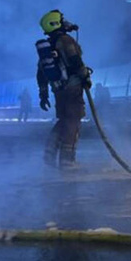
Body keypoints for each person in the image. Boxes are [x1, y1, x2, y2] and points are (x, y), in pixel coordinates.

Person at [36, 10, 91, 167]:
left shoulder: (47, 47)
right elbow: (76, 60)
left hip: (58, 90)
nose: (66, 22)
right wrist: (85, 77)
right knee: (73, 121)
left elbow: (40, 74)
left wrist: (43, 95)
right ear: (55, 23)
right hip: (73, 88)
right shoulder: (66, 41)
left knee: (64, 120)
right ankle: (68, 161)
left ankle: (49, 153)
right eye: (62, 20)